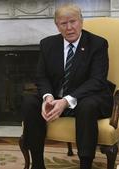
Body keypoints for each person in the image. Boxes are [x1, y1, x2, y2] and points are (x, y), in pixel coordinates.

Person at [21, 3, 113, 169]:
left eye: (73, 21)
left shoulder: (97, 44)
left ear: (81, 22)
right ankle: (38, 164)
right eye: (64, 23)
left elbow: (97, 80)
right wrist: (48, 97)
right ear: (57, 26)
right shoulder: (48, 44)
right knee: (29, 102)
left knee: (87, 106)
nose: (69, 27)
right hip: (57, 96)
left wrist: (66, 100)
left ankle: (85, 164)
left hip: (88, 97)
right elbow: (41, 76)